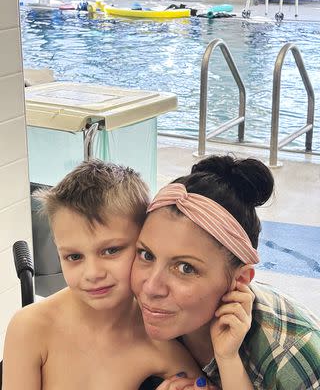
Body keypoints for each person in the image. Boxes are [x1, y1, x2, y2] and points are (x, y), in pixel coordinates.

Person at [2, 160, 202, 390]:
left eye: (111, 250)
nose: (93, 273)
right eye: (74, 257)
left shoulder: (162, 346)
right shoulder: (30, 328)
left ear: (144, 245)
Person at [131, 154, 320, 390]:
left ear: (239, 280)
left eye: (185, 268)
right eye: (146, 255)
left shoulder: (291, 353)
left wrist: (228, 360)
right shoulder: (130, 313)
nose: (150, 288)